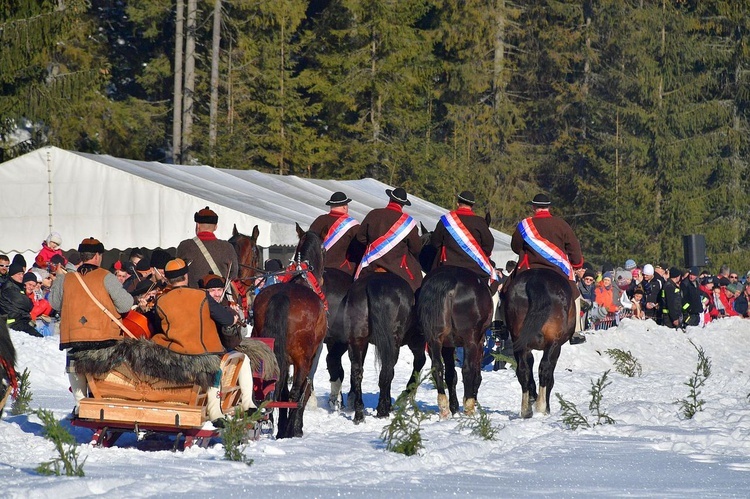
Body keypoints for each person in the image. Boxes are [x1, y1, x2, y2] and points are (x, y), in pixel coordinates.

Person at [152, 259, 255, 426]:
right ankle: (240, 406)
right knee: (233, 360)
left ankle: (222, 410)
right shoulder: (202, 296)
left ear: (168, 280)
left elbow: (157, 327)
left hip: (175, 354)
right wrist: (234, 317)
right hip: (204, 355)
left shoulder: (161, 301)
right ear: (186, 276)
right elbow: (226, 319)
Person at [48, 237, 134, 414]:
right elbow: (125, 304)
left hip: (74, 340)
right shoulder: (106, 277)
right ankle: (102, 407)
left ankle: (81, 406)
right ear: (97, 256)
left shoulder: (67, 279)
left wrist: (58, 279)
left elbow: (55, 304)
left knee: (77, 376)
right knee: (102, 380)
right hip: (104, 341)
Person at [510, 193, 585, 343]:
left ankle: (502, 324)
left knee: (507, 290)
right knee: (574, 293)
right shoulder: (561, 224)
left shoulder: (524, 225)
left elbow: (515, 247)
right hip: (557, 270)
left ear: (533, 207)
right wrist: (577, 264)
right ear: (549, 207)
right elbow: (574, 248)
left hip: (529, 269)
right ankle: (576, 330)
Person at [355, 187, 423, 293]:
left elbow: (360, 237)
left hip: (371, 265)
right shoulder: (409, 223)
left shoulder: (374, 214)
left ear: (390, 200)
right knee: (417, 288)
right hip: (396, 269)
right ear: (403, 204)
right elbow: (415, 249)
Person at [430, 190, 499, 293]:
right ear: (472, 206)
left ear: (458, 203)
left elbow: (435, 242)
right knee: (492, 289)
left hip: (447, 265)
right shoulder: (480, 222)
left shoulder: (446, 220)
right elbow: (488, 246)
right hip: (475, 269)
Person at [177, 206, 238, 289]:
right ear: (216, 227)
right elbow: (233, 274)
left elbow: (177, 273)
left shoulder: (185, 246)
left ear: (197, 225)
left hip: (193, 298)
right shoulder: (227, 247)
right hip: (218, 298)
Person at [308, 192, 363, 275]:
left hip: (317, 270)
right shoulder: (353, 226)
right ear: (345, 206)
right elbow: (359, 251)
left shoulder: (319, 220)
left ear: (331, 207)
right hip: (342, 272)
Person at [0, 264, 42, 337]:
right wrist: (29, 302)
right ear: (12, 274)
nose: (21, 276)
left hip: (20, 321)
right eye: (18, 274)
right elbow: (25, 303)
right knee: (39, 339)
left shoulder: (18, 287)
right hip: (13, 322)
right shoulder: (9, 287)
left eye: (22, 274)